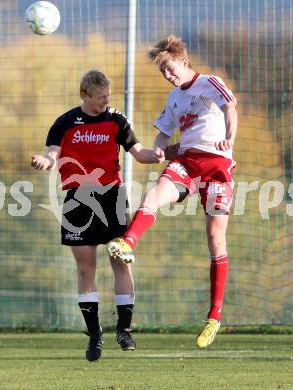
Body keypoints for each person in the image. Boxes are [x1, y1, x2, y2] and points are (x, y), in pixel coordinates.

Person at [107, 35, 237, 349]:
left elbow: (230, 106)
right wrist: (158, 151)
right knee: (155, 194)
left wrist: (229, 138)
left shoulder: (209, 83)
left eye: (169, 67)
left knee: (215, 238)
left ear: (183, 61)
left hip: (218, 165)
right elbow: (164, 135)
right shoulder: (174, 99)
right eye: (163, 71)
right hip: (188, 163)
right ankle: (128, 243)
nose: (167, 74)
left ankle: (214, 318)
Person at [31, 70, 165, 362]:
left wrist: (153, 155)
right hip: (78, 199)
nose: (106, 100)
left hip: (111, 198)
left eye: (108, 95)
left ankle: (124, 329)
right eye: (100, 97)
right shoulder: (65, 123)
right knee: (85, 269)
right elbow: (53, 155)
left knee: (120, 259)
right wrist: (45, 161)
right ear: (84, 95)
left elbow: (138, 152)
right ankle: (94, 337)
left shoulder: (116, 119)